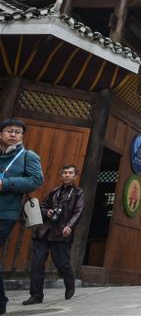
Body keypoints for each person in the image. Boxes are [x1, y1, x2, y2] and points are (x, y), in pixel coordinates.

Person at [0, 118, 44, 314]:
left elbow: (36, 180)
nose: (13, 134)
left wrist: (6, 184)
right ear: (1, 134)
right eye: (9, 131)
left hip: (6, 212)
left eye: (17, 132)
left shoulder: (28, 156)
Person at [23, 164, 83, 305]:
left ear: (75, 176)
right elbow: (43, 206)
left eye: (70, 173)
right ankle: (36, 295)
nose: (67, 175)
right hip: (44, 231)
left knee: (61, 263)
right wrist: (47, 212)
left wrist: (70, 226)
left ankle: (70, 281)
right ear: (61, 175)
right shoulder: (54, 191)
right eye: (64, 173)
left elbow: (78, 211)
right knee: (37, 263)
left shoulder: (79, 193)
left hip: (61, 233)